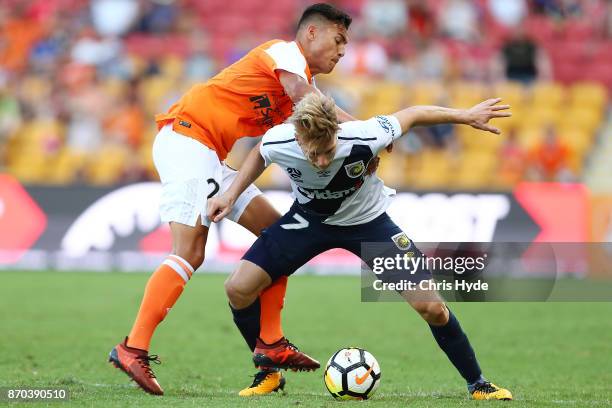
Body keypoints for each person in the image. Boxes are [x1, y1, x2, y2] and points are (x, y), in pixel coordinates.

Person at [108, 3, 356, 396]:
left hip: (210, 153)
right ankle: (132, 348)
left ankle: (271, 344)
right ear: (311, 33)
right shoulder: (286, 56)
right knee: (189, 252)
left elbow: (282, 140)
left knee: (279, 237)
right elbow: (307, 99)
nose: (342, 50)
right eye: (338, 39)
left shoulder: (299, 84)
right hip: (189, 138)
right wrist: (368, 132)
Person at [207, 92, 514, 400]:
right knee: (238, 288)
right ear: (299, 138)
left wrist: (466, 115)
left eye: (329, 150)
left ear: (337, 131)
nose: (324, 161)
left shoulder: (366, 134)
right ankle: (269, 374)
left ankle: (478, 384)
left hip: (369, 225)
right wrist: (230, 195)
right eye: (315, 155)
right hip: (308, 223)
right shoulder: (280, 140)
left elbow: (414, 113)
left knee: (432, 307)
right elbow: (260, 153)